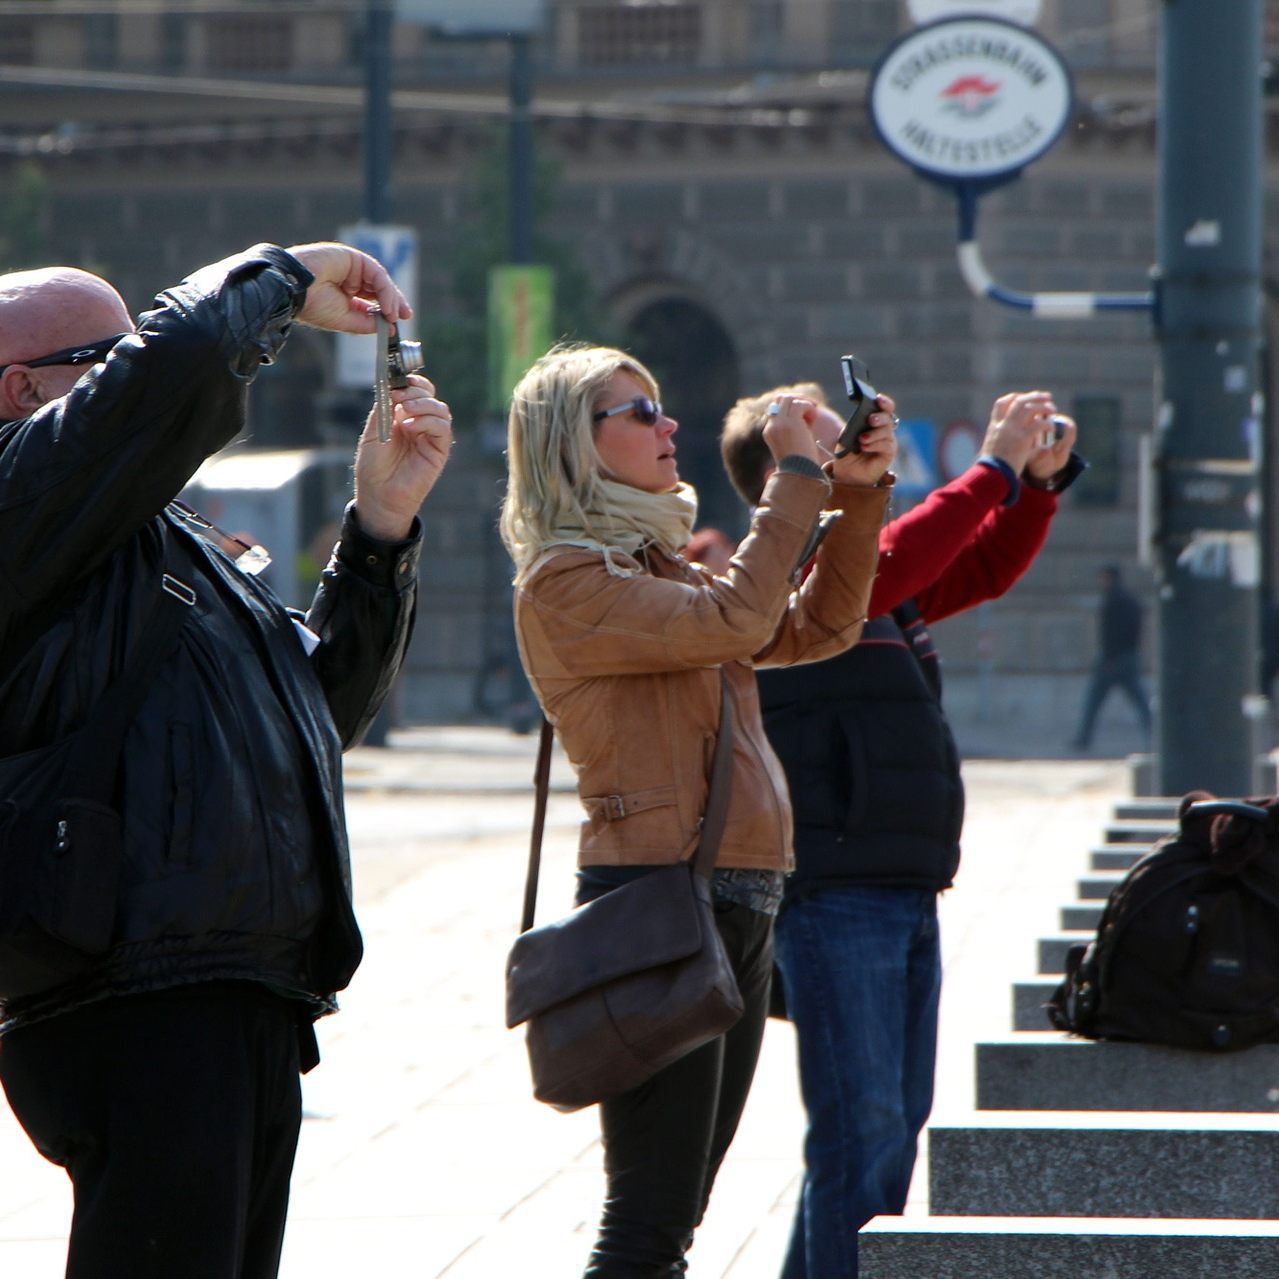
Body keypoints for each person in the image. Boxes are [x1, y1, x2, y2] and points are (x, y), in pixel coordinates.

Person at [0, 241, 453, 1279]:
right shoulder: (18, 498)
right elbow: (182, 365)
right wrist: (286, 274)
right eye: (107, 361)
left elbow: (316, 709)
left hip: (233, 990)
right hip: (135, 995)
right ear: (21, 390)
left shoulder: (163, 542)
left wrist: (380, 529)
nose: (132, 380)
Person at [499, 344, 896, 1277]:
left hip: (738, 891)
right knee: (647, 1221)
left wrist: (858, 493)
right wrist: (798, 473)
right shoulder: (565, 582)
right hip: (657, 895)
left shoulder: (654, 565)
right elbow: (736, 622)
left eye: (661, 406)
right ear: (572, 443)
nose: (667, 424)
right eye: (638, 413)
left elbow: (816, 627)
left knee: (675, 1216)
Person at [720, 382, 1086, 1279]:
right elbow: (904, 549)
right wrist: (992, 467)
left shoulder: (870, 577)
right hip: (834, 885)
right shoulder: (783, 579)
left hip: (901, 878)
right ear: (782, 467)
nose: (848, 426)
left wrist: (1033, 485)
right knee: (863, 1129)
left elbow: (982, 568)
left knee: (885, 1126)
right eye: (815, 419)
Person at [1070, 563, 1152, 751]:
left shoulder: (1112, 600)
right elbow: (1135, 630)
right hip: (1129, 657)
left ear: (1109, 577)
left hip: (1112, 659)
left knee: (1094, 701)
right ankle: (1154, 736)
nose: (1100, 581)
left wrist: (1109, 658)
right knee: (1140, 701)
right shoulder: (1131, 600)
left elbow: (1111, 633)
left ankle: (1083, 739)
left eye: (1102, 577)